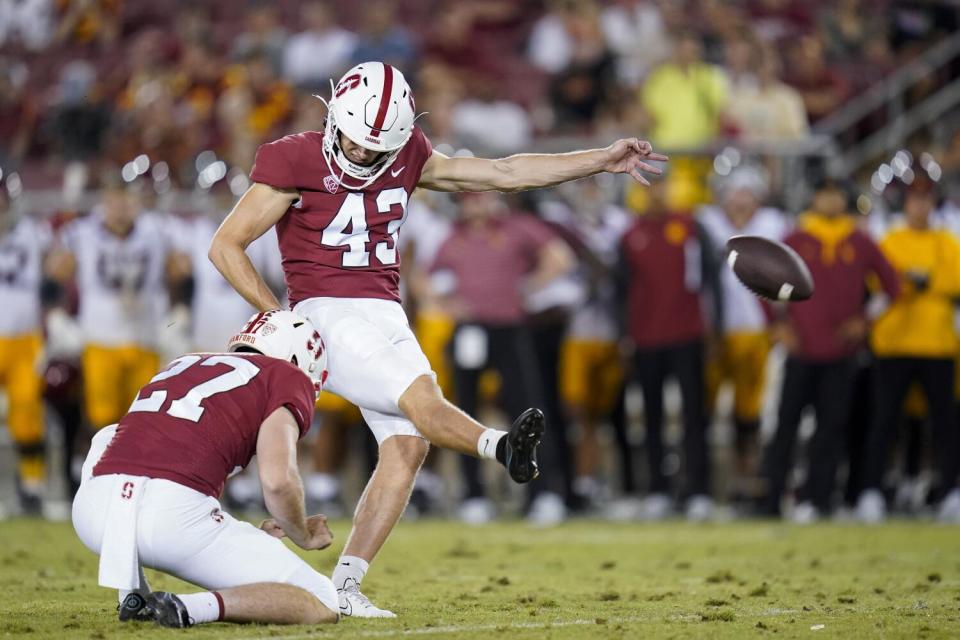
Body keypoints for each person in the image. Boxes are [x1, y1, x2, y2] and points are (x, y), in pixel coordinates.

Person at [208, 61, 667, 617]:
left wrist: (599, 159)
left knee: (408, 445)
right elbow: (226, 244)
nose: (360, 155)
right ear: (334, 118)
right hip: (324, 310)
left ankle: (345, 589)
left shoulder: (408, 152)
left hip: (387, 308)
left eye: (374, 149)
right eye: (353, 142)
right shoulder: (293, 156)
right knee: (420, 402)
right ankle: (501, 446)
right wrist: (279, 316)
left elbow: (503, 172)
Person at [72, 310, 339, 628]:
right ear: (297, 359)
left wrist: (248, 536)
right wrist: (302, 533)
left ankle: (132, 592)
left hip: (94, 514)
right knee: (322, 598)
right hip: (170, 519)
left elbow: (161, 453)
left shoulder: (182, 363)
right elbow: (278, 482)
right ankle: (188, 607)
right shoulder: (284, 376)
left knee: (110, 434)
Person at [430, 191, 575, 525]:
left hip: (510, 329)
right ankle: (474, 495)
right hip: (469, 331)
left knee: (528, 409)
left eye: (482, 197)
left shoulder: (516, 227)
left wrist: (529, 288)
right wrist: (449, 305)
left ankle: (543, 494)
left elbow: (560, 258)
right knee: (463, 411)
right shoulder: (453, 236)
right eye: (470, 198)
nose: (477, 204)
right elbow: (425, 279)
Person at [761, 178, 899, 522]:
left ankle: (818, 499)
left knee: (831, 430)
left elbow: (892, 287)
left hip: (841, 354)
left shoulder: (859, 240)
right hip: (801, 350)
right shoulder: (796, 237)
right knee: (785, 427)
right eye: (825, 194)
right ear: (815, 197)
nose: (831, 201)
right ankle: (770, 499)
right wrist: (778, 326)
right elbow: (763, 279)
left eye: (837, 194)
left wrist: (865, 322)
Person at [618, 179, 723, 522]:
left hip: (687, 335)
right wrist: (623, 335)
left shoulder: (691, 227)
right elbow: (619, 290)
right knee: (651, 418)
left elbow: (713, 280)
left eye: (662, 186)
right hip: (646, 338)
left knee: (695, 415)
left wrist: (715, 329)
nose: (657, 194)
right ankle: (658, 491)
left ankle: (699, 491)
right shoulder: (630, 234)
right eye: (651, 188)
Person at [858, 178, 960, 523]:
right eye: (915, 199)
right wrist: (917, 282)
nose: (921, 206)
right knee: (884, 421)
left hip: (937, 344)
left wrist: (926, 282)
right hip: (895, 342)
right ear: (905, 203)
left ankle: (951, 492)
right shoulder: (891, 240)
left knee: (945, 423)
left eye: (926, 199)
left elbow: (956, 279)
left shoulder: (947, 241)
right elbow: (880, 280)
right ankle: (870, 491)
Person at [698, 167, 788, 503]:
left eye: (746, 192)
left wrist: (782, 320)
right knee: (702, 410)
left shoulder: (773, 225)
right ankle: (701, 483)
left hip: (756, 332)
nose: (739, 200)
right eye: (733, 192)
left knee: (749, 414)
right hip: (712, 332)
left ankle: (746, 479)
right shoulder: (706, 223)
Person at [0, 175, 51, 514]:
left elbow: (57, 269)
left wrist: (57, 314)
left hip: (24, 339)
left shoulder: (34, 233)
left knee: (27, 410)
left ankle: (32, 487)